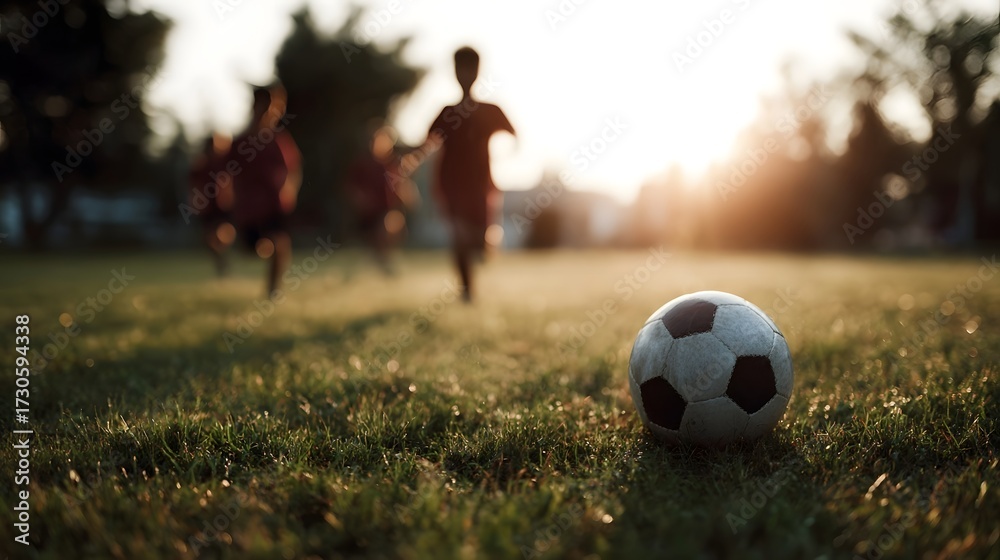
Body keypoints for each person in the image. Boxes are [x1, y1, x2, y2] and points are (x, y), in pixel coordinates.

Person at [425, 46, 515, 302]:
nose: (464, 74)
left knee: (476, 240)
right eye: (459, 68)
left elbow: (514, 136)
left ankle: (483, 247)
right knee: (459, 236)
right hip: (451, 184)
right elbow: (426, 143)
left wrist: (506, 156)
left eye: (469, 68)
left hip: (481, 185)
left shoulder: (490, 111)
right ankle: (467, 291)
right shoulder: (446, 113)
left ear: (477, 71)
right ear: (454, 72)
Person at [230, 84, 302, 299]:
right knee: (255, 248)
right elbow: (227, 175)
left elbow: (293, 169)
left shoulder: (279, 141)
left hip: (274, 206)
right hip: (249, 210)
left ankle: (272, 291)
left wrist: (289, 192)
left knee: (280, 243)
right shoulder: (240, 142)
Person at [346, 123, 417, 275]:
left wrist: (408, 198)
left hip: (388, 212)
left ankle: (384, 260)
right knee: (374, 241)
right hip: (367, 215)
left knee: (388, 225)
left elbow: (402, 188)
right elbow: (352, 188)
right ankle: (380, 262)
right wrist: (360, 199)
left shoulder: (394, 165)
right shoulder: (363, 164)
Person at [188, 132, 235, 276]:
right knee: (208, 239)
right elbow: (192, 184)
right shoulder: (200, 164)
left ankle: (223, 255)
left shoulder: (226, 162)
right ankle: (221, 261)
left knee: (223, 233)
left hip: (223, 206)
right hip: (207, 208)